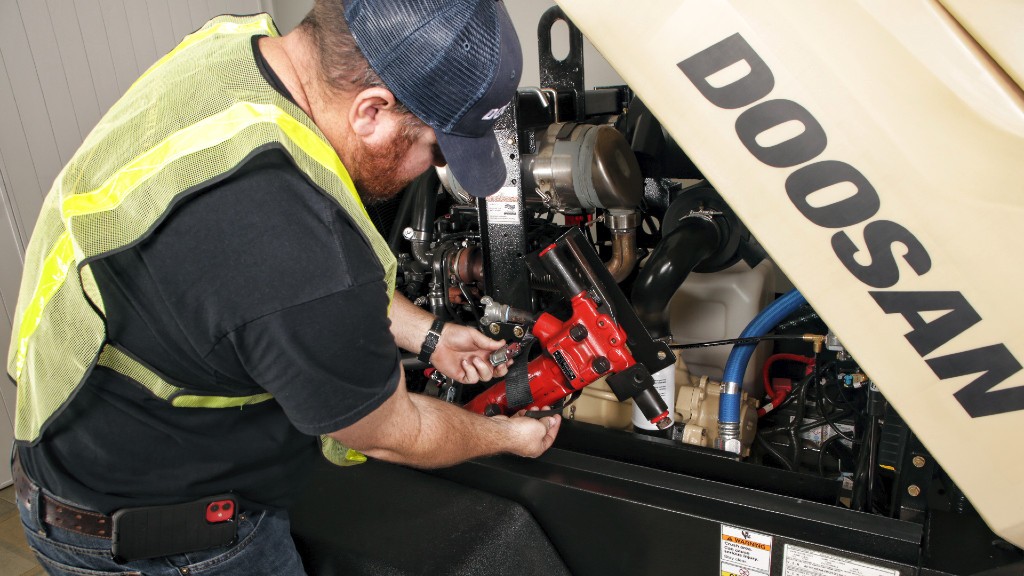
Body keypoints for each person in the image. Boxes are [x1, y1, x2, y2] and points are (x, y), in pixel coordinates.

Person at [6, 0, 560, 574]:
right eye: (437, 149)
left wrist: (431, 335)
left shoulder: (229, 54)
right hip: (168, 543)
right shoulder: (293, 237)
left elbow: (255, 287)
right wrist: (504, 436)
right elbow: (394, 431)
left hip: (76, 455)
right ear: (371, 111)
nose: (429, 166)